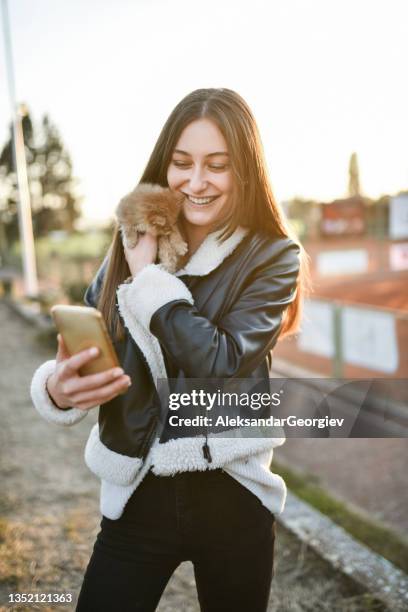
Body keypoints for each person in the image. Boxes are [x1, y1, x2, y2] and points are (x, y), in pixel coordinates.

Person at [30, 88, 308, 612]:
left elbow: (221, 363)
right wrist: (58, 387)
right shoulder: (132, 242)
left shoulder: (273, 257)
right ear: (164, 165)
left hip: (233, 494)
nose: (196, 182)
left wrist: (151, 280)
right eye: (182, 163)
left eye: (217, 165)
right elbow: (95, 349)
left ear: (244, 171)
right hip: (136, 492)